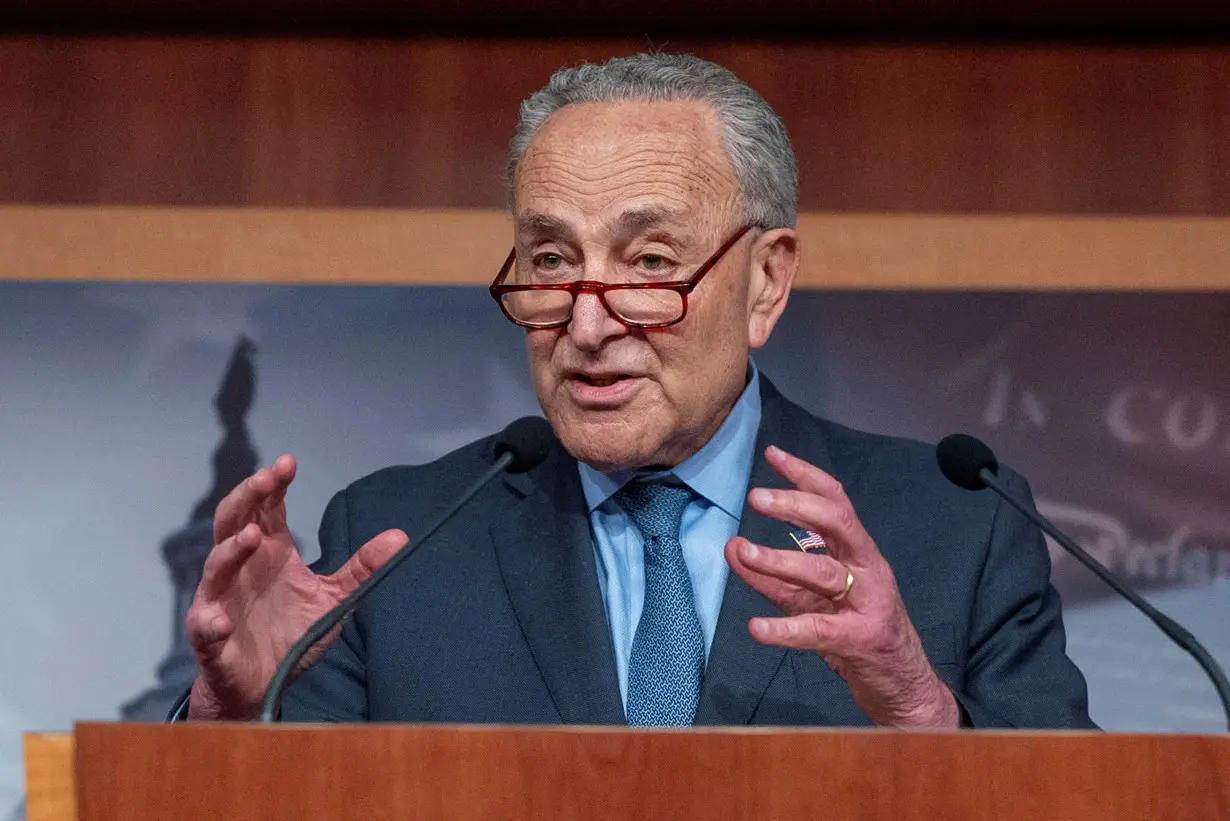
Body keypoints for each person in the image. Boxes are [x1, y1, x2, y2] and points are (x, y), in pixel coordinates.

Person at [184, 53, 1094, 729]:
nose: (586, 326)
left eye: (650, 263)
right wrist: (231, 721)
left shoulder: (952, 526)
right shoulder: (398, 541)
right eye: (550, 261)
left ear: (766, 284)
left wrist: (922, 708)